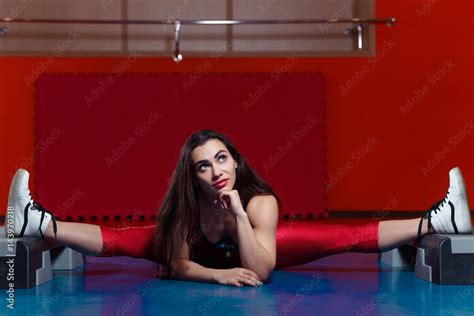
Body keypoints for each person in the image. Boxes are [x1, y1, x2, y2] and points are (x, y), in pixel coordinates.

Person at [5, 130, 472, 288]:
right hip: (211, 262)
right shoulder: (185, 212)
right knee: (131, 238)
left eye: (221, 158)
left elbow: (262, 269)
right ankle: (38, 222)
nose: (215, 171)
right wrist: (218, 276)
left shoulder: (261, 200)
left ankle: (437, 219)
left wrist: (240, 216)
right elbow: (177, 262)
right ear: (193, 177)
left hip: (261, 248)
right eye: (203, 166)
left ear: (236, 160)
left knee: (332, 237)